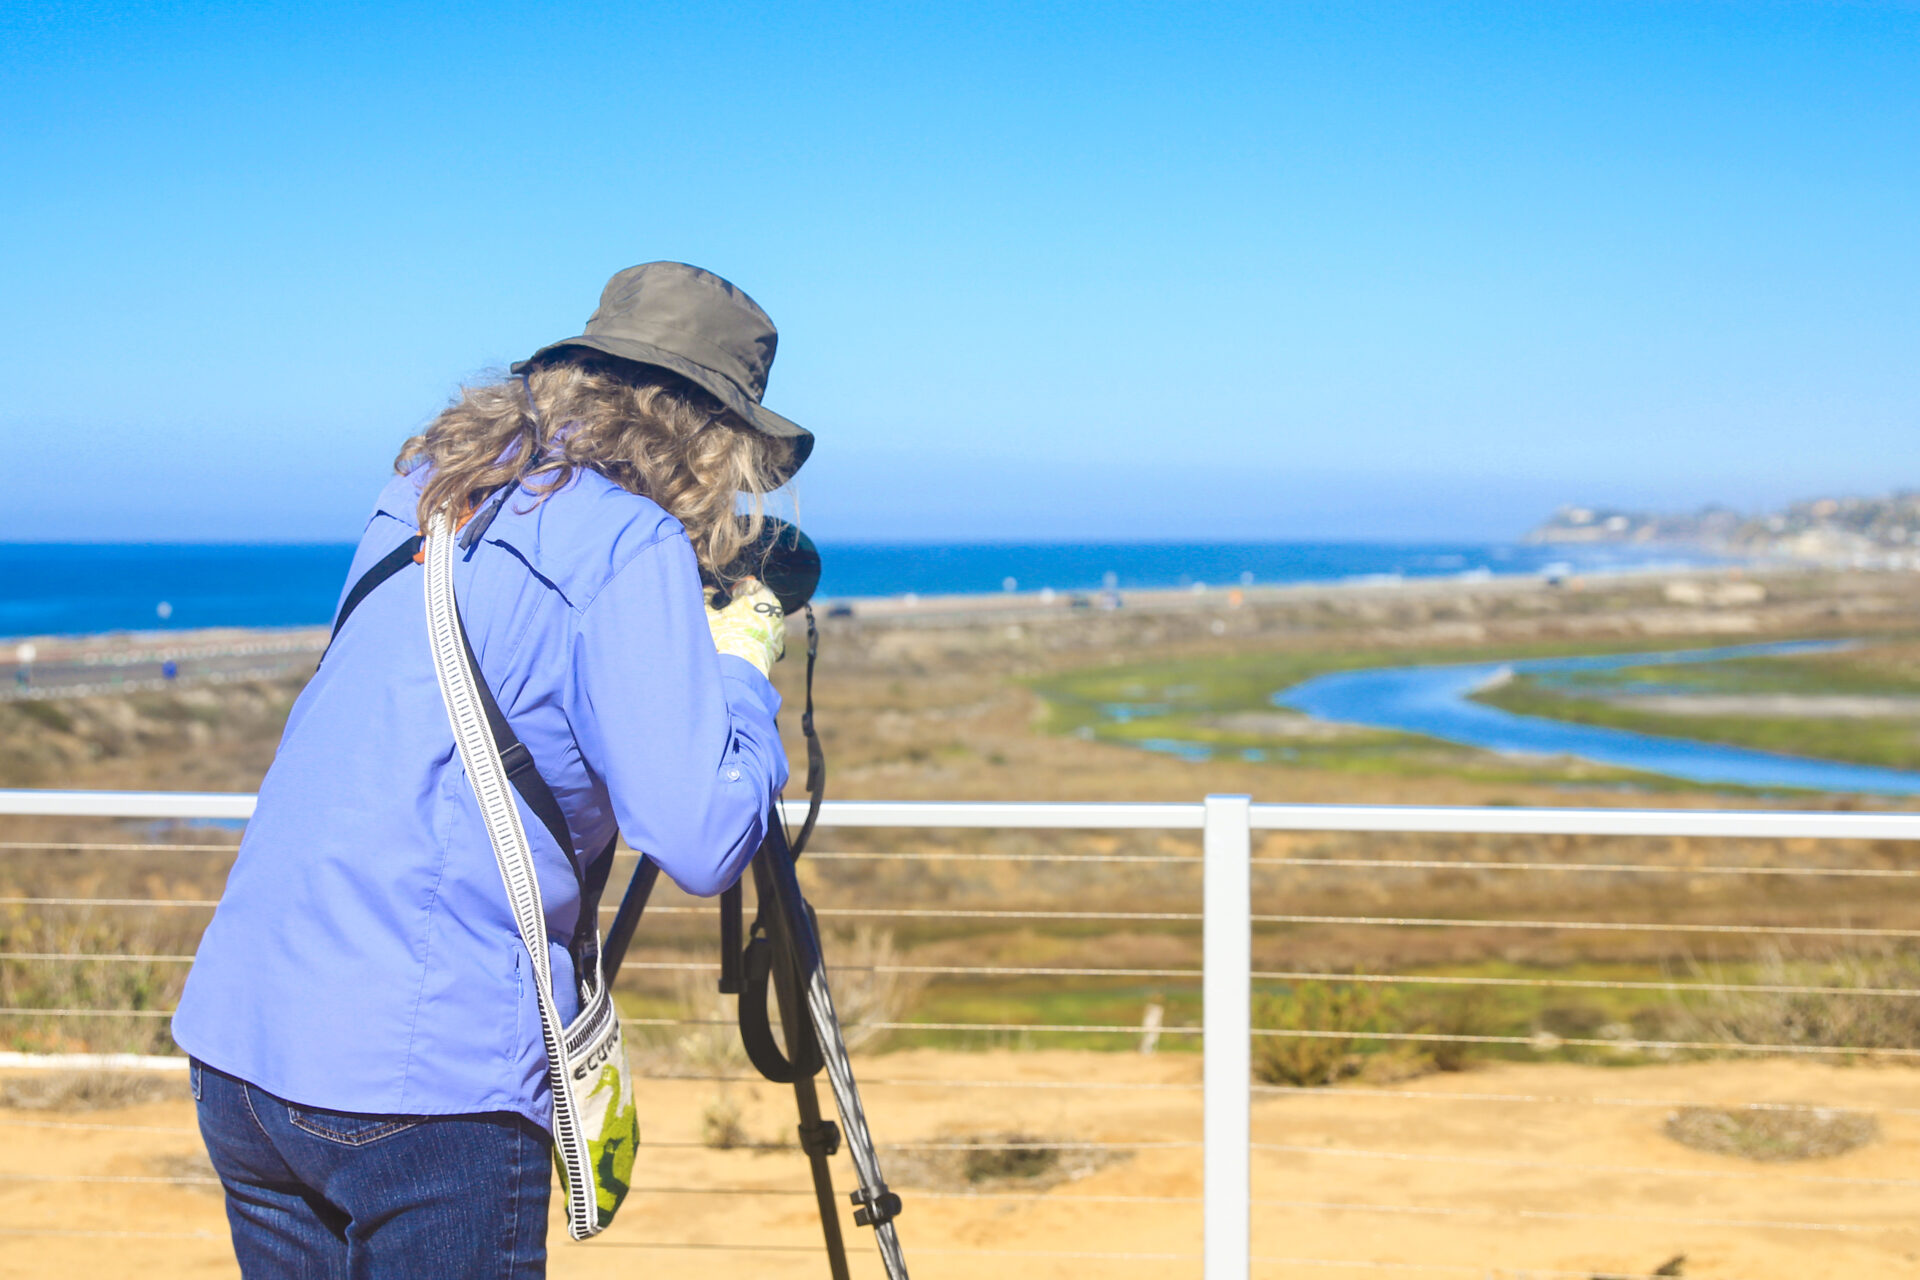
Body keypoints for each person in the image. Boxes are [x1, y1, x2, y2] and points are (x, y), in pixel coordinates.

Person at [172, 262, 811, 1277]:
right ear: (710, 431)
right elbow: (699, 835)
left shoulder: (424, 494)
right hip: (421, 1076)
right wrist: (742, 663)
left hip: (244, 1041)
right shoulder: (630, 539)